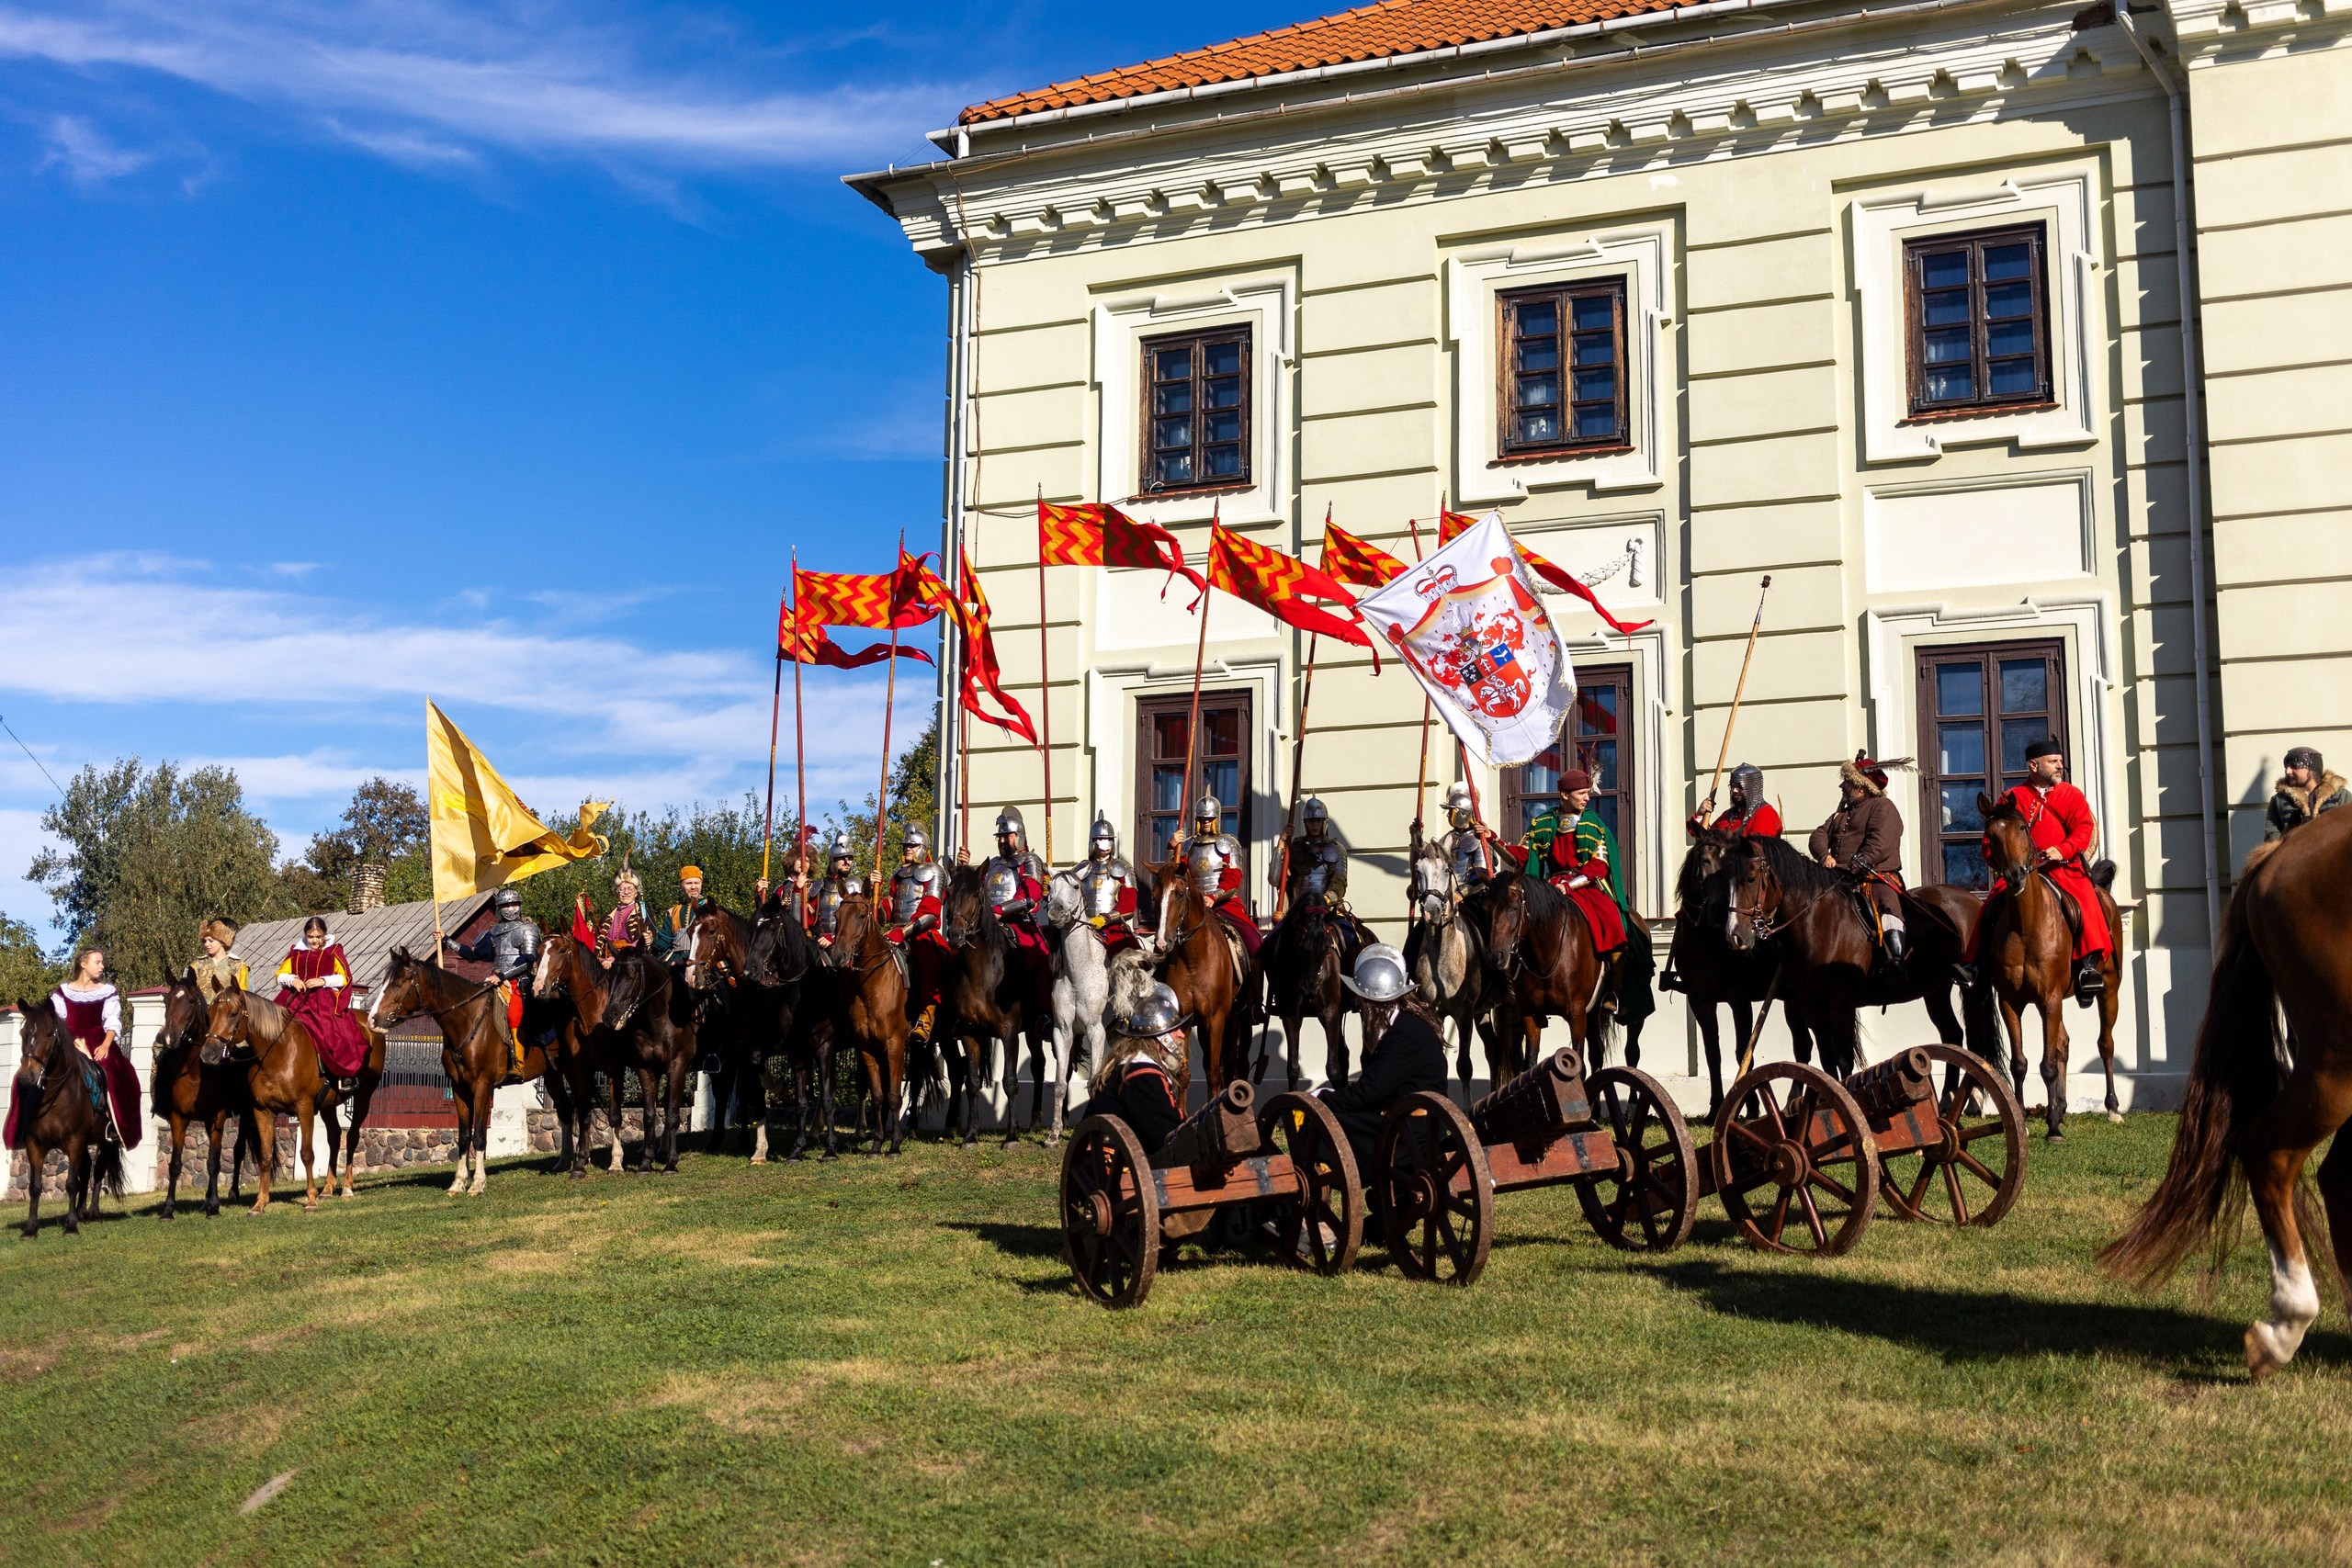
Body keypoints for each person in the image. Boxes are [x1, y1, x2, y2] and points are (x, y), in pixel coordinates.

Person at [1962, 735, 2111, 1001]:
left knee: (2087, 901)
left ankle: (2089, 968)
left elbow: (2083, 829)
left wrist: (2062, 849)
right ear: (2033, 766)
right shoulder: (2012, 797)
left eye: (2060, 761)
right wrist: (2002, 863)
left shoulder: (2071, 794)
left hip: (2064, 869)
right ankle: (1975, 965)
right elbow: (1992, 837)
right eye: (2053, 761)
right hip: (2023, 873)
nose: (2059, 766)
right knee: (1990, 907)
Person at [1317, 945, 1446, 1179]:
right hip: (1407, 1123)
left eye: (1359, 997)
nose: (1356, 1004)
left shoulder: (1405, 1033)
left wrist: (1322, 1098)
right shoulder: (1404, 1024)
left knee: (1323, 1122)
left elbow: (1369, 1092)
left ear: (1372, 1002)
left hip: (1413, 1135)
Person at [1508, 771, 1627, 956]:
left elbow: (1599, 865)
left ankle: (1617, 981)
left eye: (1587, 792)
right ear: (1565, 794)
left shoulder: (1594, 824)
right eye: (1582, 793)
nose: (1587, 798)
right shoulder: (1542, 823)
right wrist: (1491, 840)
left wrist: (1568, 887)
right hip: (1550, 887)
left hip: (1584, 886)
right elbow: (1522, 856)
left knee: (1612, 920)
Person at [1809, 751, 1908, 966]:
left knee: (1886, 902)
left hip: (1876, 877)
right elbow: (1818, 836)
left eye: (1847, 783)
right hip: (1838, 878)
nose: (1841, 787)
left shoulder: (1884, 807)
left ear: (1862, 788)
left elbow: (1878, 844)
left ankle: (1896, 960)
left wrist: (1852, 868)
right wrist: (1824, 856)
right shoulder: (1840, 814)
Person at [1076, 982, 1189, 1157]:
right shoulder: (1143, 1074)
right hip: (1109, 1169)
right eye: (1175, 1029)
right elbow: (1169, 1133)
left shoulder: (1132, 1067)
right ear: (1162, 1038)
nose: (1182, 1034)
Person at [447, 886, 546, 1076]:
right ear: (500, 908)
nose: (511, 908)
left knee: (514, 1015)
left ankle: (519, 1063)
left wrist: (501, 976)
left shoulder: (528, 930)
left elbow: (528, 960)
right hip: (495, 982)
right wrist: (447, 940)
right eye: (506, 905)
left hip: (520, 982)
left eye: (514, 904)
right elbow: (472, 955)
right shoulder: (493, 934)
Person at [51, 947, 141, 1150]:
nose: (102, 966)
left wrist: (106, 1045)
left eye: (102, 962)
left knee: (120, 1075)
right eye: (97, 962)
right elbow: (58, 1020)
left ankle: (112, 1124)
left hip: (97, 1041)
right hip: (69, 1042)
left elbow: (112, 1022)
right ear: (83, 964)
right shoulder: (63, 991)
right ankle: (30, 1124)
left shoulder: (107, 991)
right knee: (38, 1071)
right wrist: (67, 1042)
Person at [966, 807, 1053, 1007]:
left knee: (1039, 956)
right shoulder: (994, 863)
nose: (1003, 841)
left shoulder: (1030, 860)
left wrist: (999, 911)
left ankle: (1043, 1011)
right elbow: (976, 891)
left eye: (1007, 836)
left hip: (1019, 923)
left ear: (1019, 836)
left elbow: (1031, 897)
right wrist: (966, 868)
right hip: (987, 923)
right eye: (1000, 837)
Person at [276, 916, 369, 1091]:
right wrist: (292, 979)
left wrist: (322, 981)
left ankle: (343, 1074)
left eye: (318, 937)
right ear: (306, 935)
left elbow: (344, 977)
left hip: (322, 1000)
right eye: (311, 937)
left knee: (333, 1032)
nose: (315, 941)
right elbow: (280, 974)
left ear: (324, 935)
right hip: (294, 997)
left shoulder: (333, 951)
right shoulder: (296, 951)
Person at [887, 825, 950, 1047]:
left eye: (912, 845)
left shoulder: (934, 872)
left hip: (921, 933)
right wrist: (872, 892)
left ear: (923, 847)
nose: (907, 848)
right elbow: (888, 907)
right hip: (894, 932)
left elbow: (931, 912)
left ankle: (926, 1018)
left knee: (929, 963)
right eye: (906, 845)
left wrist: (903, 932)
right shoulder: (899, 873)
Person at [1179, 793, 1262, 958]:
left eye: (1209, 819)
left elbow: (1233, 878)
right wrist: (1172, 846)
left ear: (1216, 819)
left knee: (1255, 942)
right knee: (1164, 946)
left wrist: (1213, 897)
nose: (1206, 822)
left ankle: (1254, 984)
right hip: (1193, 904)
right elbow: (1176, 872)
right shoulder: (1187, 845)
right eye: (1203, 819)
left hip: (1223, 904)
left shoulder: (1228, 843)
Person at [1076, 815, 1143, 954]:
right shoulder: (1080, 869)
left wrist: (1105, 918)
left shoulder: (1123, 868)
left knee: (1132, 961)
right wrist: (1050, 889)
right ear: (1093, 842)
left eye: (1108, 839)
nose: (1105, 843)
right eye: (1100, 839)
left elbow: (1129, 904)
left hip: (1112, 927)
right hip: (1081, 925)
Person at [796, 831, 866, 949]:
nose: (846, 861)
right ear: (833, 860)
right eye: (841, 858)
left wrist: (834, 937)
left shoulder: (856, 884)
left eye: (849, 858)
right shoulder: (819, 885)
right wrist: (798, 891)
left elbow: (861, 920)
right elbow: (808, 917)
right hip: (820, 941)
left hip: (847, 943)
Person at [2266, 746, 2350, 842]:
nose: (2288, 771)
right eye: (2286, 767)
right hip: (2296, 855)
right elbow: (2272, 843)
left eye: (2294, 766)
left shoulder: (2340, 796)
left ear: (2311, 769)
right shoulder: (2279, 800)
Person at [1690, 762, 1781, 839]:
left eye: (1740, 787)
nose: (1734, 790)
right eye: (1733, 786)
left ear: (1752, 788)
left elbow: (1755, 850)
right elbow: (1707, 840)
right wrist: (1700, 815)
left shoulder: (1766, 814)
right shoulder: (1727, 815)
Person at [650, 865, 713, 968]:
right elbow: (665, 943)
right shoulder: (674, 911)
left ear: (701, 884)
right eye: (689, 883)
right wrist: (651, 940)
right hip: (674, 961)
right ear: (681, 885)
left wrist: (685, 958)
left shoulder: (710, 908)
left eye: (696, 883)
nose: (693, 887)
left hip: (703, 960)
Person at [1435, 781, 1494, 888]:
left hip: (1474, 896)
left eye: (1451, 811)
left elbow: (1482, 872)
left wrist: (1462, 892)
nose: (1448, 815)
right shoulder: (1445, 839)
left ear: (1462, 813)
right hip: (1447, 894)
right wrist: (1416, 836)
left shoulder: (1479, 838)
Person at [597, 870, 650, 969]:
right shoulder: (606, 917)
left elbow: (642, 943)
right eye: (622, 889)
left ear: (636, 893)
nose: (626, 892)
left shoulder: (643, 914)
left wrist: (614, 959)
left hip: (630, 963)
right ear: (617, 893)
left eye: (630, 888)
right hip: (605, 963)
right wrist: (602, 961)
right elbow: (597, 943)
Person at [189, 915, 248, 1005]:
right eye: (204, 941)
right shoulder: (196, 965)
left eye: (211, 941)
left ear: (222, 942)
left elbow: (243, 996)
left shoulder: (238, 966)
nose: (206, 944)